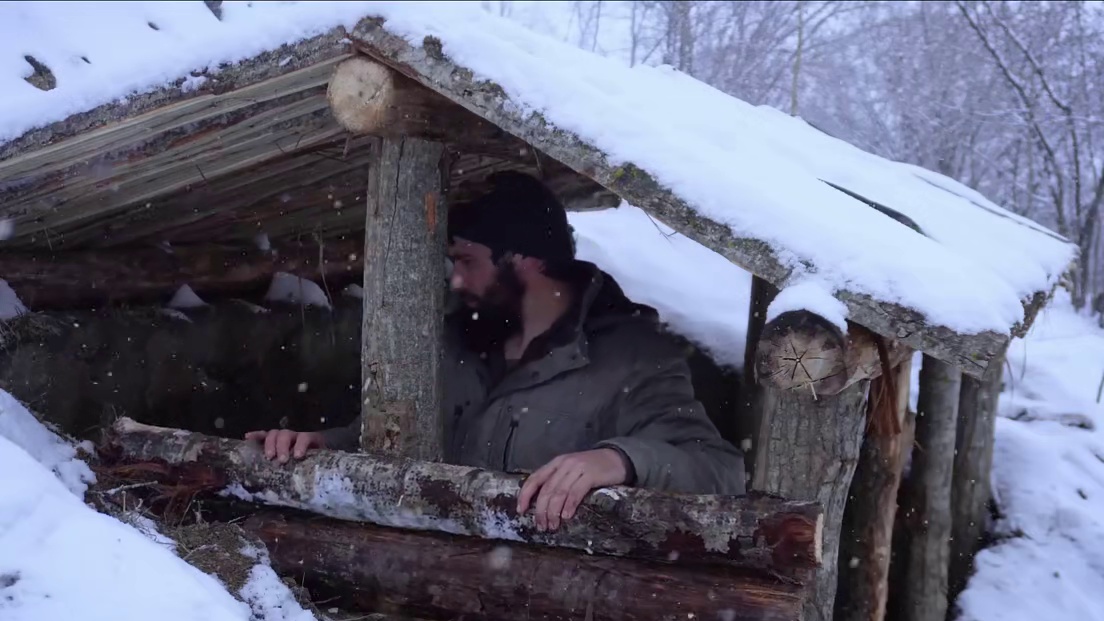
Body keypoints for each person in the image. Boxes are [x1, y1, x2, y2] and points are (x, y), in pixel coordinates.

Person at [245, 171, 745, 531]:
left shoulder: (632, 355)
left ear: (526, 261)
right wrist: (324, 446)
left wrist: (618, 461)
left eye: (467, 260)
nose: (457, 278)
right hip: (420, 583)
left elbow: (719, 470)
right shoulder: (448, 339)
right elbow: (397, 440)